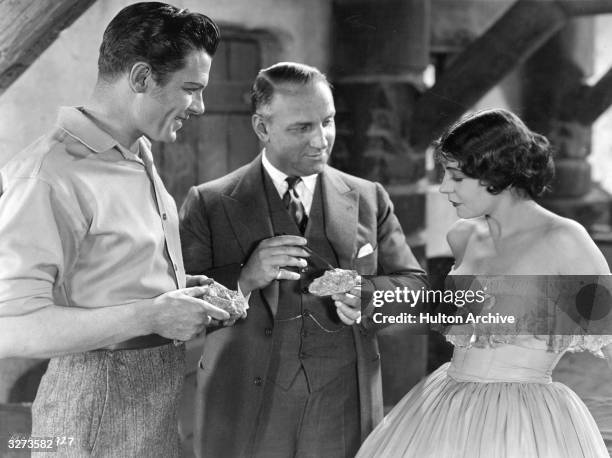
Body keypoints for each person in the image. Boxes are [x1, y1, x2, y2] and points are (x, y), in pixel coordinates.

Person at [0, 3, 230, 456]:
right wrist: (153, 314)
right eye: (190, 88)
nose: (200, 106)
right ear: (142, 78)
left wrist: (177, 289)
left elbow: (110, 274)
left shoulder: (135, 150)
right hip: (89, 410)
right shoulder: (48, 174)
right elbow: (11, 328)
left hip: (149, 403)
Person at [179, 62, 428, 458]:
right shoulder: (208, 203)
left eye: (327, 122)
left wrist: (367, 293)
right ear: (262, 128)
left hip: (344, 408)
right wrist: (244, 279)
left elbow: (416, 288)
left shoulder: (369, 197)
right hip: (244, 407)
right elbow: (181, 305)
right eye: (302, 128)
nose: (321, 140)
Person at [356, 108, 612, 457]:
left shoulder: (563, 239)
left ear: (498, 172)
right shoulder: (462, 235)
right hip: (445, 408)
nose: (445, 188)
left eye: (456, 177)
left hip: (524, 421)